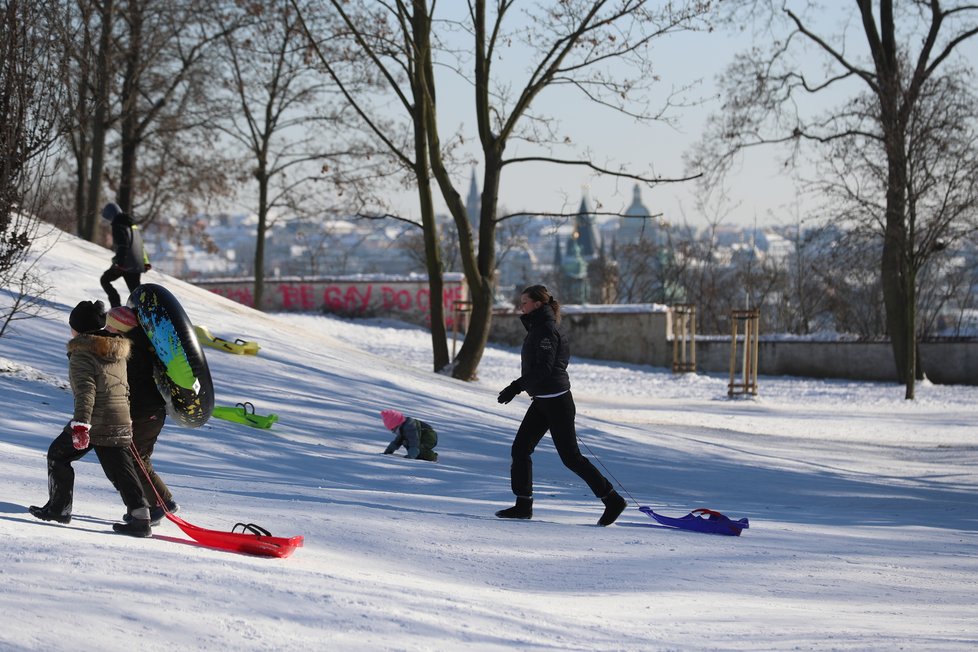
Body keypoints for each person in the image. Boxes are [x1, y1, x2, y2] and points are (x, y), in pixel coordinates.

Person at [495, 285, 626, 526]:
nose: (520, 306)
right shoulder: (538, 327)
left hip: (557, 403)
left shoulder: (545, 330)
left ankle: (613, 500)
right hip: (543, 401)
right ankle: (523, 505)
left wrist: (516, 387)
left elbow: (544, 369)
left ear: (537, 304)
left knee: (571, 458)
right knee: (520, 449)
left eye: (524, 302)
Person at [29, 300, 153, 537]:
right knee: (120, 468)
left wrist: (82, 425)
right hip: (119, 417)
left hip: (96, 419)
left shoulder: (82, 353)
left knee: (58, 455)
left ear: (78, 328)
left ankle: (59, 509)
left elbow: (86, 391)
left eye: (71, 326)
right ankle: (141, 517)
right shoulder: (115, 348)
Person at [104, 306, 179, 524]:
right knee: (137, 457)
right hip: (150, 411)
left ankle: (160, 504)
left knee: (135, 458)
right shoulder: (139, 344)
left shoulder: (133, 352)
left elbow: (131, 386)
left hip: (145, 412)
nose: (107, 330)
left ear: (119, 329)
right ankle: (160, 502)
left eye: (111, 326)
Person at [99, 202, 150, 308]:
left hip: (125, 264)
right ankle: (145, 310)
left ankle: (116, 306)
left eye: (108, 218)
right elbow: (140, 244)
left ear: (111, 215)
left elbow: (123, 245)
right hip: (136, 264)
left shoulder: (118, 225)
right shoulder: (132, 225)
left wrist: (119, 263)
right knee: (136, 292)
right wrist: (145, 262)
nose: (109, 221)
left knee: (105, 280)